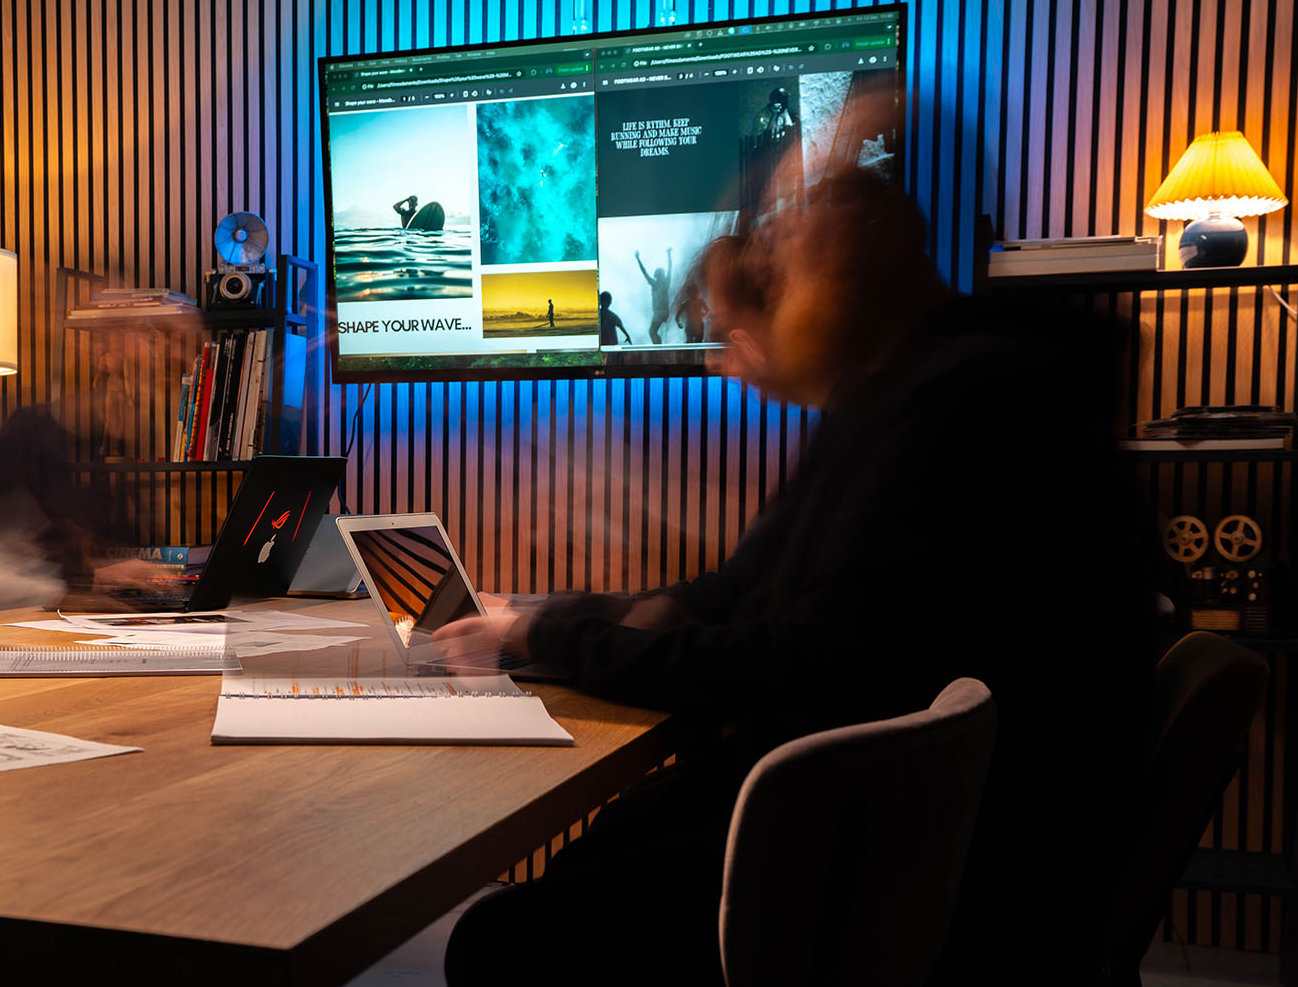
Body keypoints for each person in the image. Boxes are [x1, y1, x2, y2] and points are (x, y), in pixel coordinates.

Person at [434, 171, 1152, 984]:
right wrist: (539, 622)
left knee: (502, 939)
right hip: (910, 836)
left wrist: (541, 633)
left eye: (787, 249)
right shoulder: (920, 392)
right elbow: (734, 594)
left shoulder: (947, 408)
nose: (768, 268)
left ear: (845, 268)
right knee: (595, 856)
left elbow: (793, 655)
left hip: (910, 873)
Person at [636, 250, 671, 344]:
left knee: (652, 332)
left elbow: (644, 272)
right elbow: (670, 269)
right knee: (655, 332)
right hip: (664, 311)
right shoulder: (666, 283)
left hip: (659, 312)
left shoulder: (655, 284)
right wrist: (669, 254)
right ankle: (659, 346)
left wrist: (638, 258)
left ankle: (658, 348)